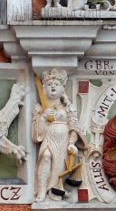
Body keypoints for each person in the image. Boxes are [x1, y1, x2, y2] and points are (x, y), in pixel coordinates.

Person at [32, 69, 82, 202]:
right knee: (46, 157)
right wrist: (43, 117)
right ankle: (41, 192)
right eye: (49, 85)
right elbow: (36, 134)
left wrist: (72, 143)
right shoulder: (40, 107)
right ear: (44, 89)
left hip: (64, 142)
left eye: (56, 84)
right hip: (49, 139)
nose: (53, 86)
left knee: (60, 166)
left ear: (62, 89)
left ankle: (55, 190)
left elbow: (74, 128)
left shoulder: (68, 108)